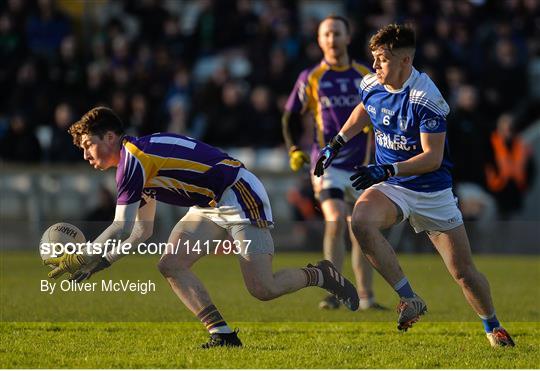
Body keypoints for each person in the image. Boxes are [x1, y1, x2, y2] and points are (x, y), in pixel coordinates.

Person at [44, 106, 360, 348]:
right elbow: (142, 231)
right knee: (171, 264)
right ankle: (222, 334)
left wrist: (82, 255)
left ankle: (322, 274)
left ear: (110, 137)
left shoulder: (133, 161)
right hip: (209, 204)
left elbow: (120, 225)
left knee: (263, 289)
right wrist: (102, 262)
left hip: (238, 193)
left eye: (88, 145)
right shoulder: (134, 163)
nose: (86, 155)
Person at [314, 24, 514, 347]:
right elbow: (365, 109)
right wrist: (335, 143)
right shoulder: (372, 83)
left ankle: (493, 326)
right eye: (374, 58)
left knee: (463, 273)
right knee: (361, 222)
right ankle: (409, 298)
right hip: (393, 184)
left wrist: (386, 169)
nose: (375, 66)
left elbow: (432, 158)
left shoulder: (426, 96)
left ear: (406, 61)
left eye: (382, 59)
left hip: (431, 191)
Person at [282, 15, 384, 310]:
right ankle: (336, 291)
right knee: (336, 219)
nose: (332, 39)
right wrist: (292, 150)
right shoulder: (311, 78)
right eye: (326, 34)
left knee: (362, 228)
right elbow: (289, 115)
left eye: (337, 33)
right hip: (327, 165)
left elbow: (384, 110)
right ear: (319, 40)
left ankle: (366, 297)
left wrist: (375, 126)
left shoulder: (366, 75)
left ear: (348, 37)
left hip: (362, 165)